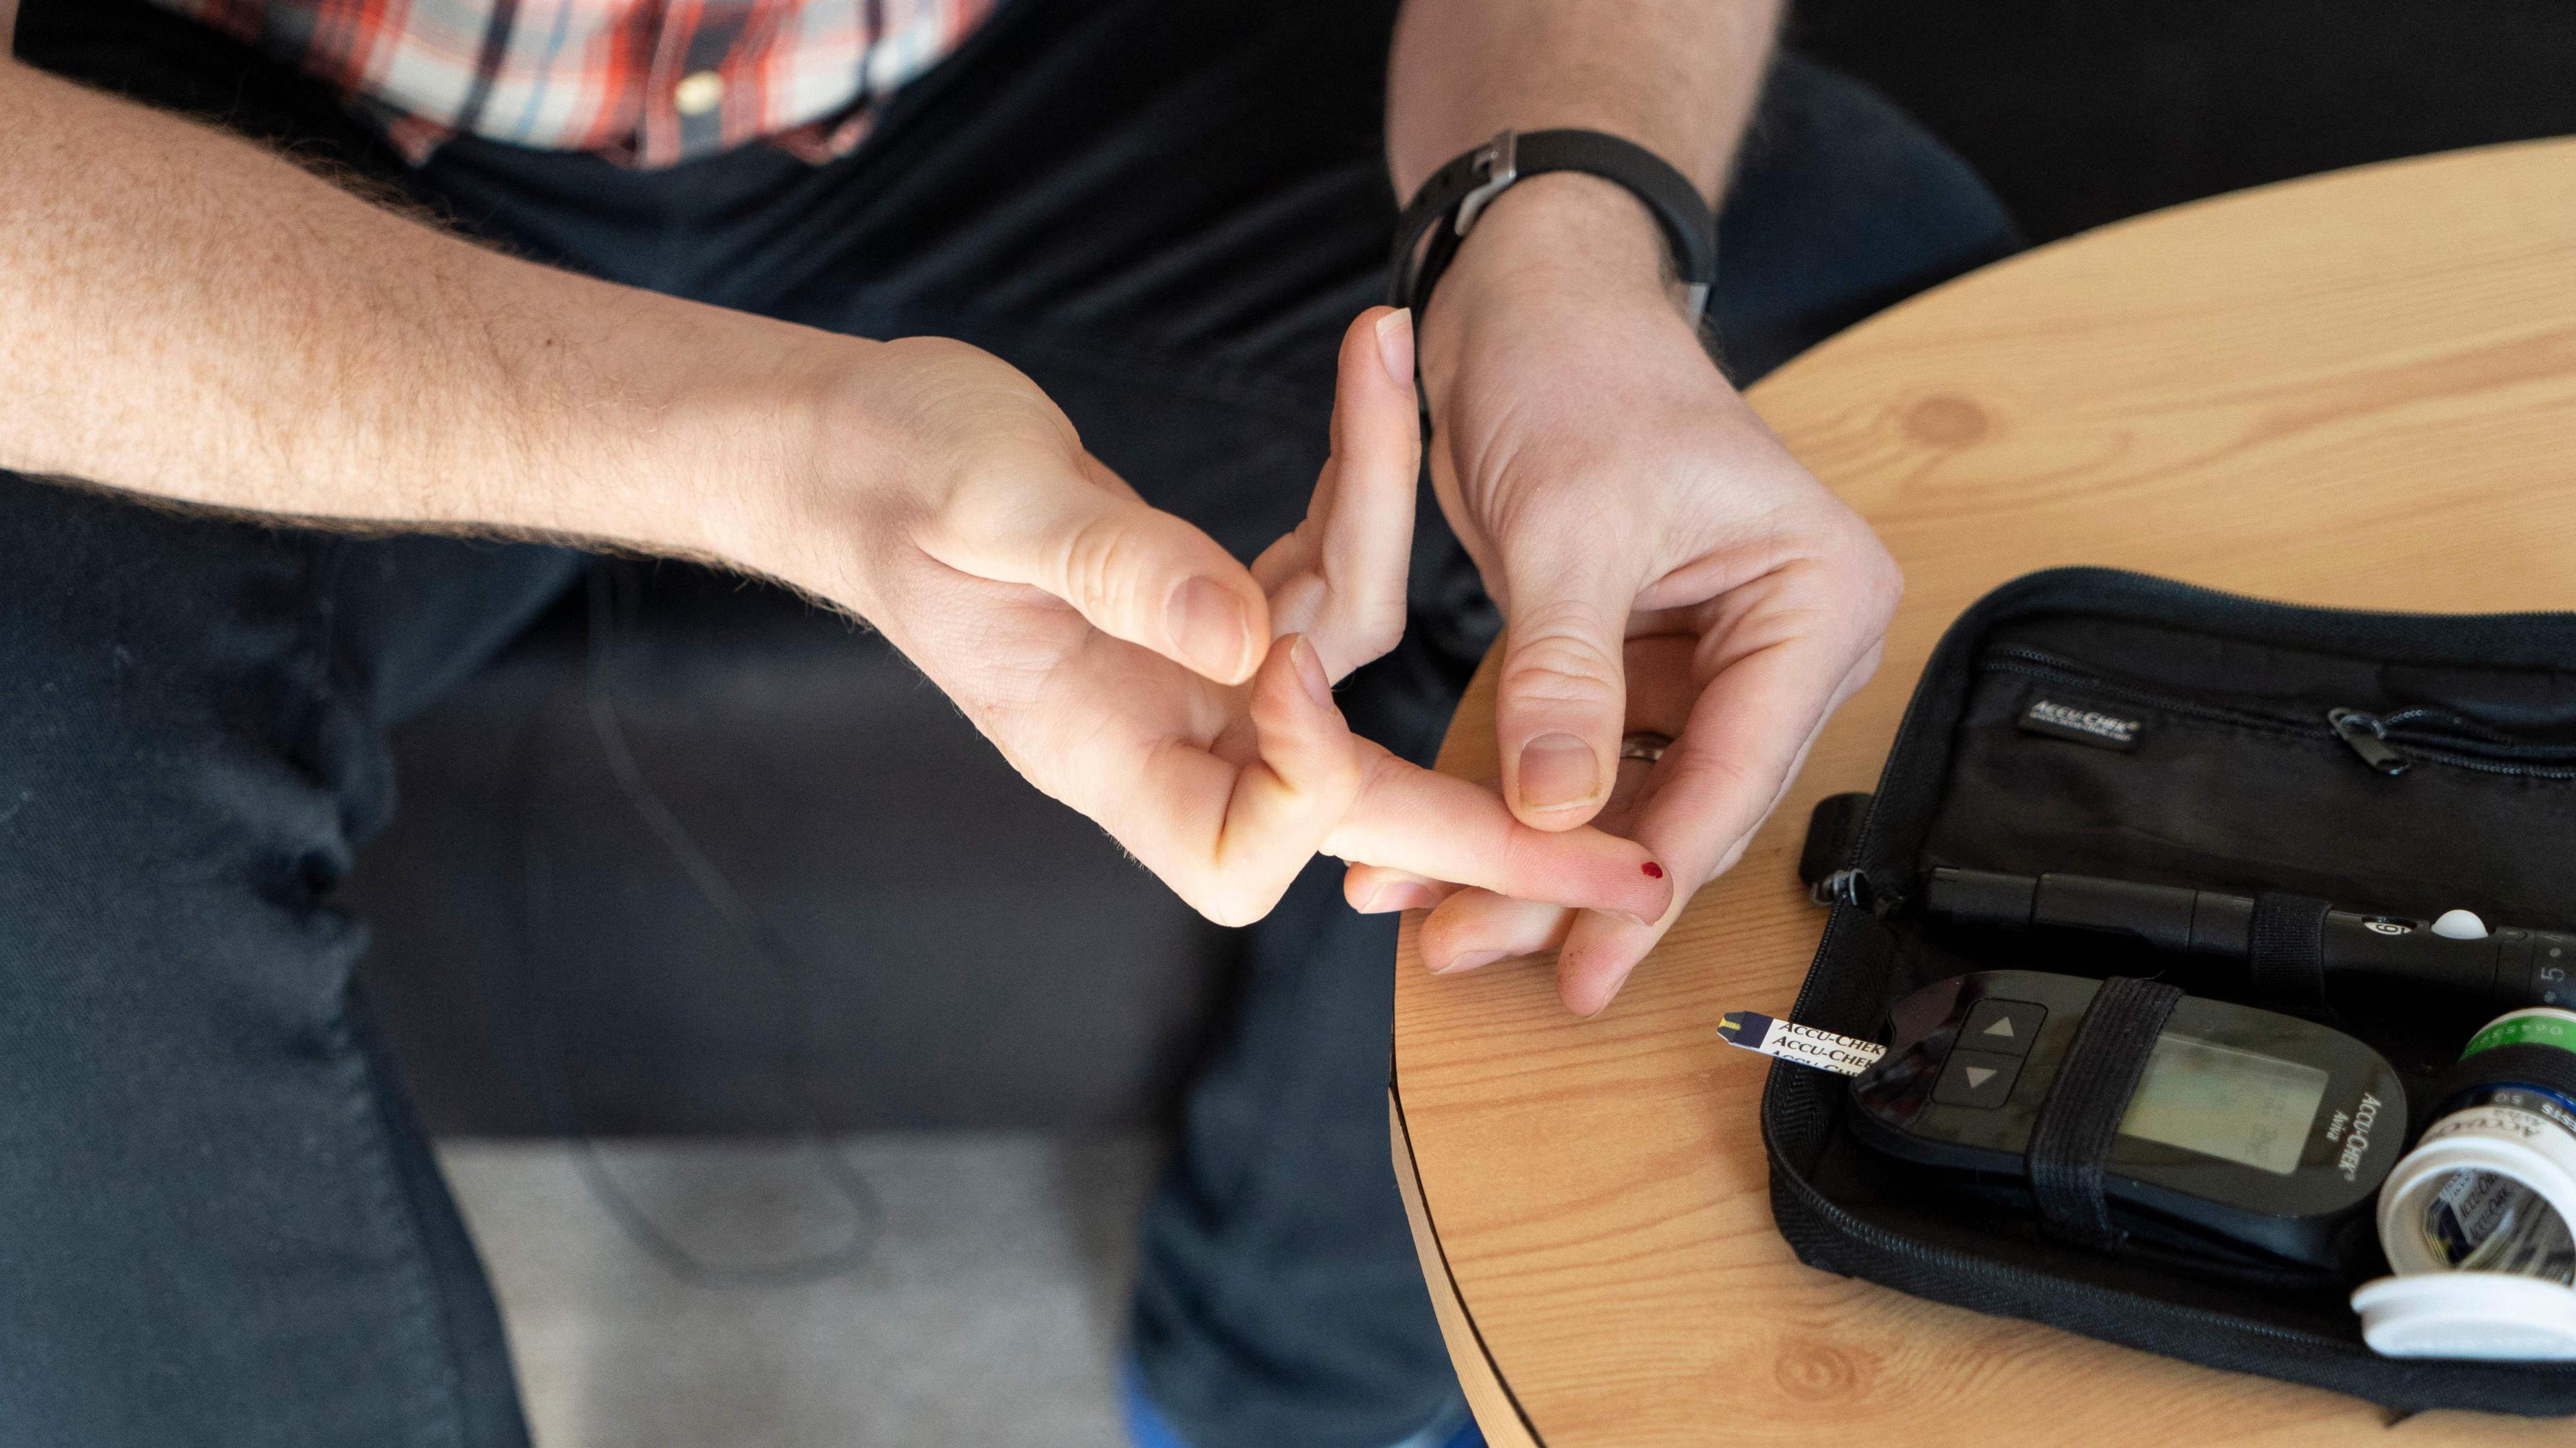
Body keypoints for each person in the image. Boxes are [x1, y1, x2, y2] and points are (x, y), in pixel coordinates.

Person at [0, 0, 2017, 1444]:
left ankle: (1306, 1390)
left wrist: (1552, 239)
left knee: (1855, 370)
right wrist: (794, 453)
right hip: (174, 133)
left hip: (1002, 66)